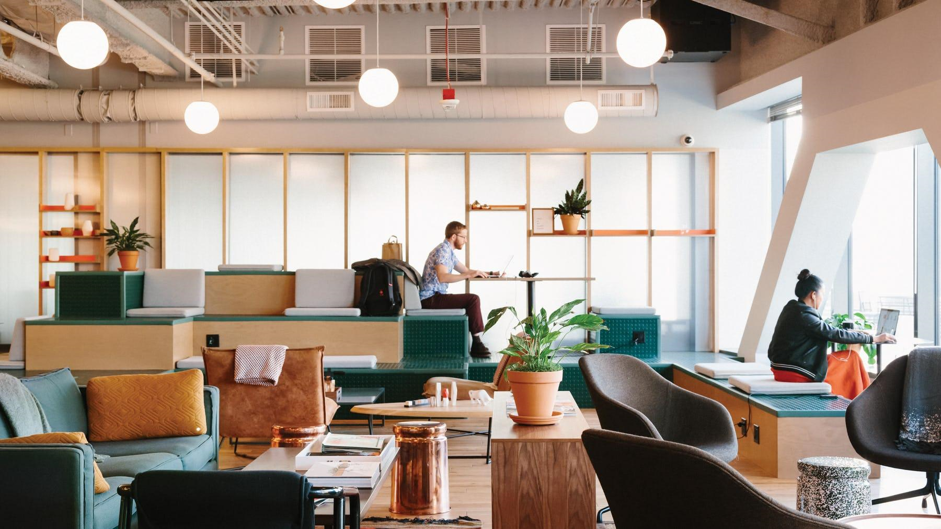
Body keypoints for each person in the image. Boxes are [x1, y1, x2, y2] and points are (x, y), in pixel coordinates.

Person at [767, 269, 896, 399]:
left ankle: (860, 401)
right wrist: (874, 338)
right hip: (795, 372)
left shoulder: (792, 309)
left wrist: (850, 333)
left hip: (782, 367)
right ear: (813, 295)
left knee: (836, 359)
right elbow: (834, 334)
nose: (823, 298)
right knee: (852, 359)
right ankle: (860, 403)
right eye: (822, 294)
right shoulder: (805, 315)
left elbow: (824, 330)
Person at [420, 221, 499, 358]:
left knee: (471, 299)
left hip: (436, 296)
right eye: (463, 237)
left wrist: (492, 273)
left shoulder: (448, 252)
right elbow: (443, 277)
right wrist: (468, 275)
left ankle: (476, 342)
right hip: (430, 299)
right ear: (453, 237)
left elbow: (466, 270)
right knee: (472, 299)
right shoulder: (442, 251)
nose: (466, 241)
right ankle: (477, 343)